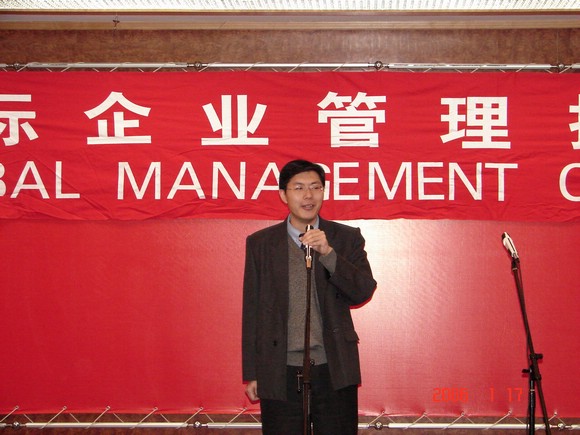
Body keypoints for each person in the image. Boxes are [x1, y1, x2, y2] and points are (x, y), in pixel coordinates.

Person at [242, 159, 377, 435]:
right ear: (283, 195)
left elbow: (363, 290)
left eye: (316, 187)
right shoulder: (261, 243)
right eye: (299, 188)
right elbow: (252, 309)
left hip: (333, 366)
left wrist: (329, 254)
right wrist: (253, 372)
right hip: (279, 368)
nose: (308, 195)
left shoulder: (346, 238)